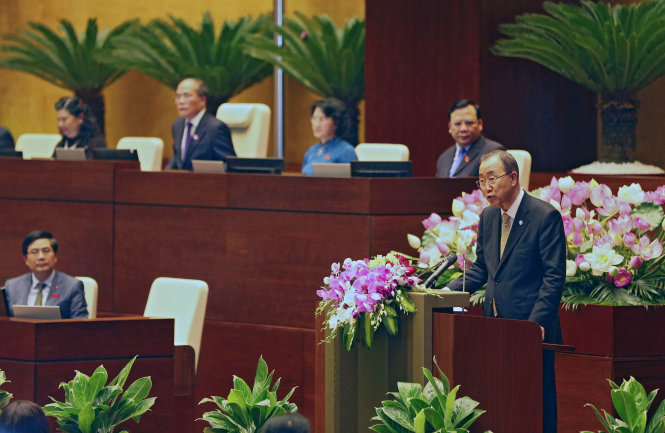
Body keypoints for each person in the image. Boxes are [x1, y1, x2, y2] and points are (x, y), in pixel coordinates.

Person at [447, 150, 565, 433]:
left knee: (534, 405)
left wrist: (534, 325)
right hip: (495, 326)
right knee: (499, 403)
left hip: (530, 328)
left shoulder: (544, 216)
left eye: (492, 178)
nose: (486, 187)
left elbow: (553, 278)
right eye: (481, 181)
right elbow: (481, 268)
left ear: (513, 178)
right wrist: (442, 292)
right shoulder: (489, 216)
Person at [4, 230, 88, 319]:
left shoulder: (72, 286)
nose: (41, 257)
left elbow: (80, 324)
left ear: (55, 256)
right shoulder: (12, 286)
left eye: (46, 250)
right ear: (26, 259)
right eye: (34, 251)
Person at [166, 77, 235, 171]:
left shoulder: (215, 128)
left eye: (187, 96)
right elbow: (177, 160)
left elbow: (230, 166)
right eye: (178, 97)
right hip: (183, 180)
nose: (181, 101)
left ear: (202, 100)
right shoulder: (177, 125)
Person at [436, 99, 504, 178]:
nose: (463, 129)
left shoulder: (493, 152)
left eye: (469, 123)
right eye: (457, 124)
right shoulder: (444, 157)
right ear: (450, 127)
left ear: (480, 124)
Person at [301, 97, 357, 176]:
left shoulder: (346, 151)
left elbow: (352, 182)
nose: (316, 124)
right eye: (314, 118)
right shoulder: (311, 150)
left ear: (336, 122)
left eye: (322, 119)